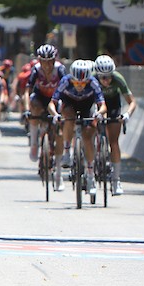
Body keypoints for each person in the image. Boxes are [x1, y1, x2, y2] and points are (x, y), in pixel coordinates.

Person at [48, 59, 107, 197]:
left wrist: (99, 113)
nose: (79, 86)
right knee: (69, 118)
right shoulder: (65, 81)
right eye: (76, 83)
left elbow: (103, 105)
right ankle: (67, 152)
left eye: (83, 83)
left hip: (87, 107)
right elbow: (52, 103)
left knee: (88, 137)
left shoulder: (93, 82)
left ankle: (91, 176)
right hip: (70, 105)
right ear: (72, 79)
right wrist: (55, 114)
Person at [24, 45, 67, 190]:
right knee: (34, 107)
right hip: (40, 97)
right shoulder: (36, 69)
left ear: (55, 60)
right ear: (39, 60)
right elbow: (27, 91)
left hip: (56, 99)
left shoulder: (60, 69)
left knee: (60, 129)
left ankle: (59, 175)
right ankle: (34, 143)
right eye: (44, 61)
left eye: (50, 61)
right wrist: (26, 108)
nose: (47, 65)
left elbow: (67, 90)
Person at [93, 54, 137, 195]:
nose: (106, 80)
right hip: (96, 103)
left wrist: (127, 114)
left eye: (109, 76)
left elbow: (132, 102)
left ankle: (116, 179)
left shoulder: (118, 79)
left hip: (113, 104)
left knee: (114, 142)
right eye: (103, 77)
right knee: (90, 130)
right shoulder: (92, 78)